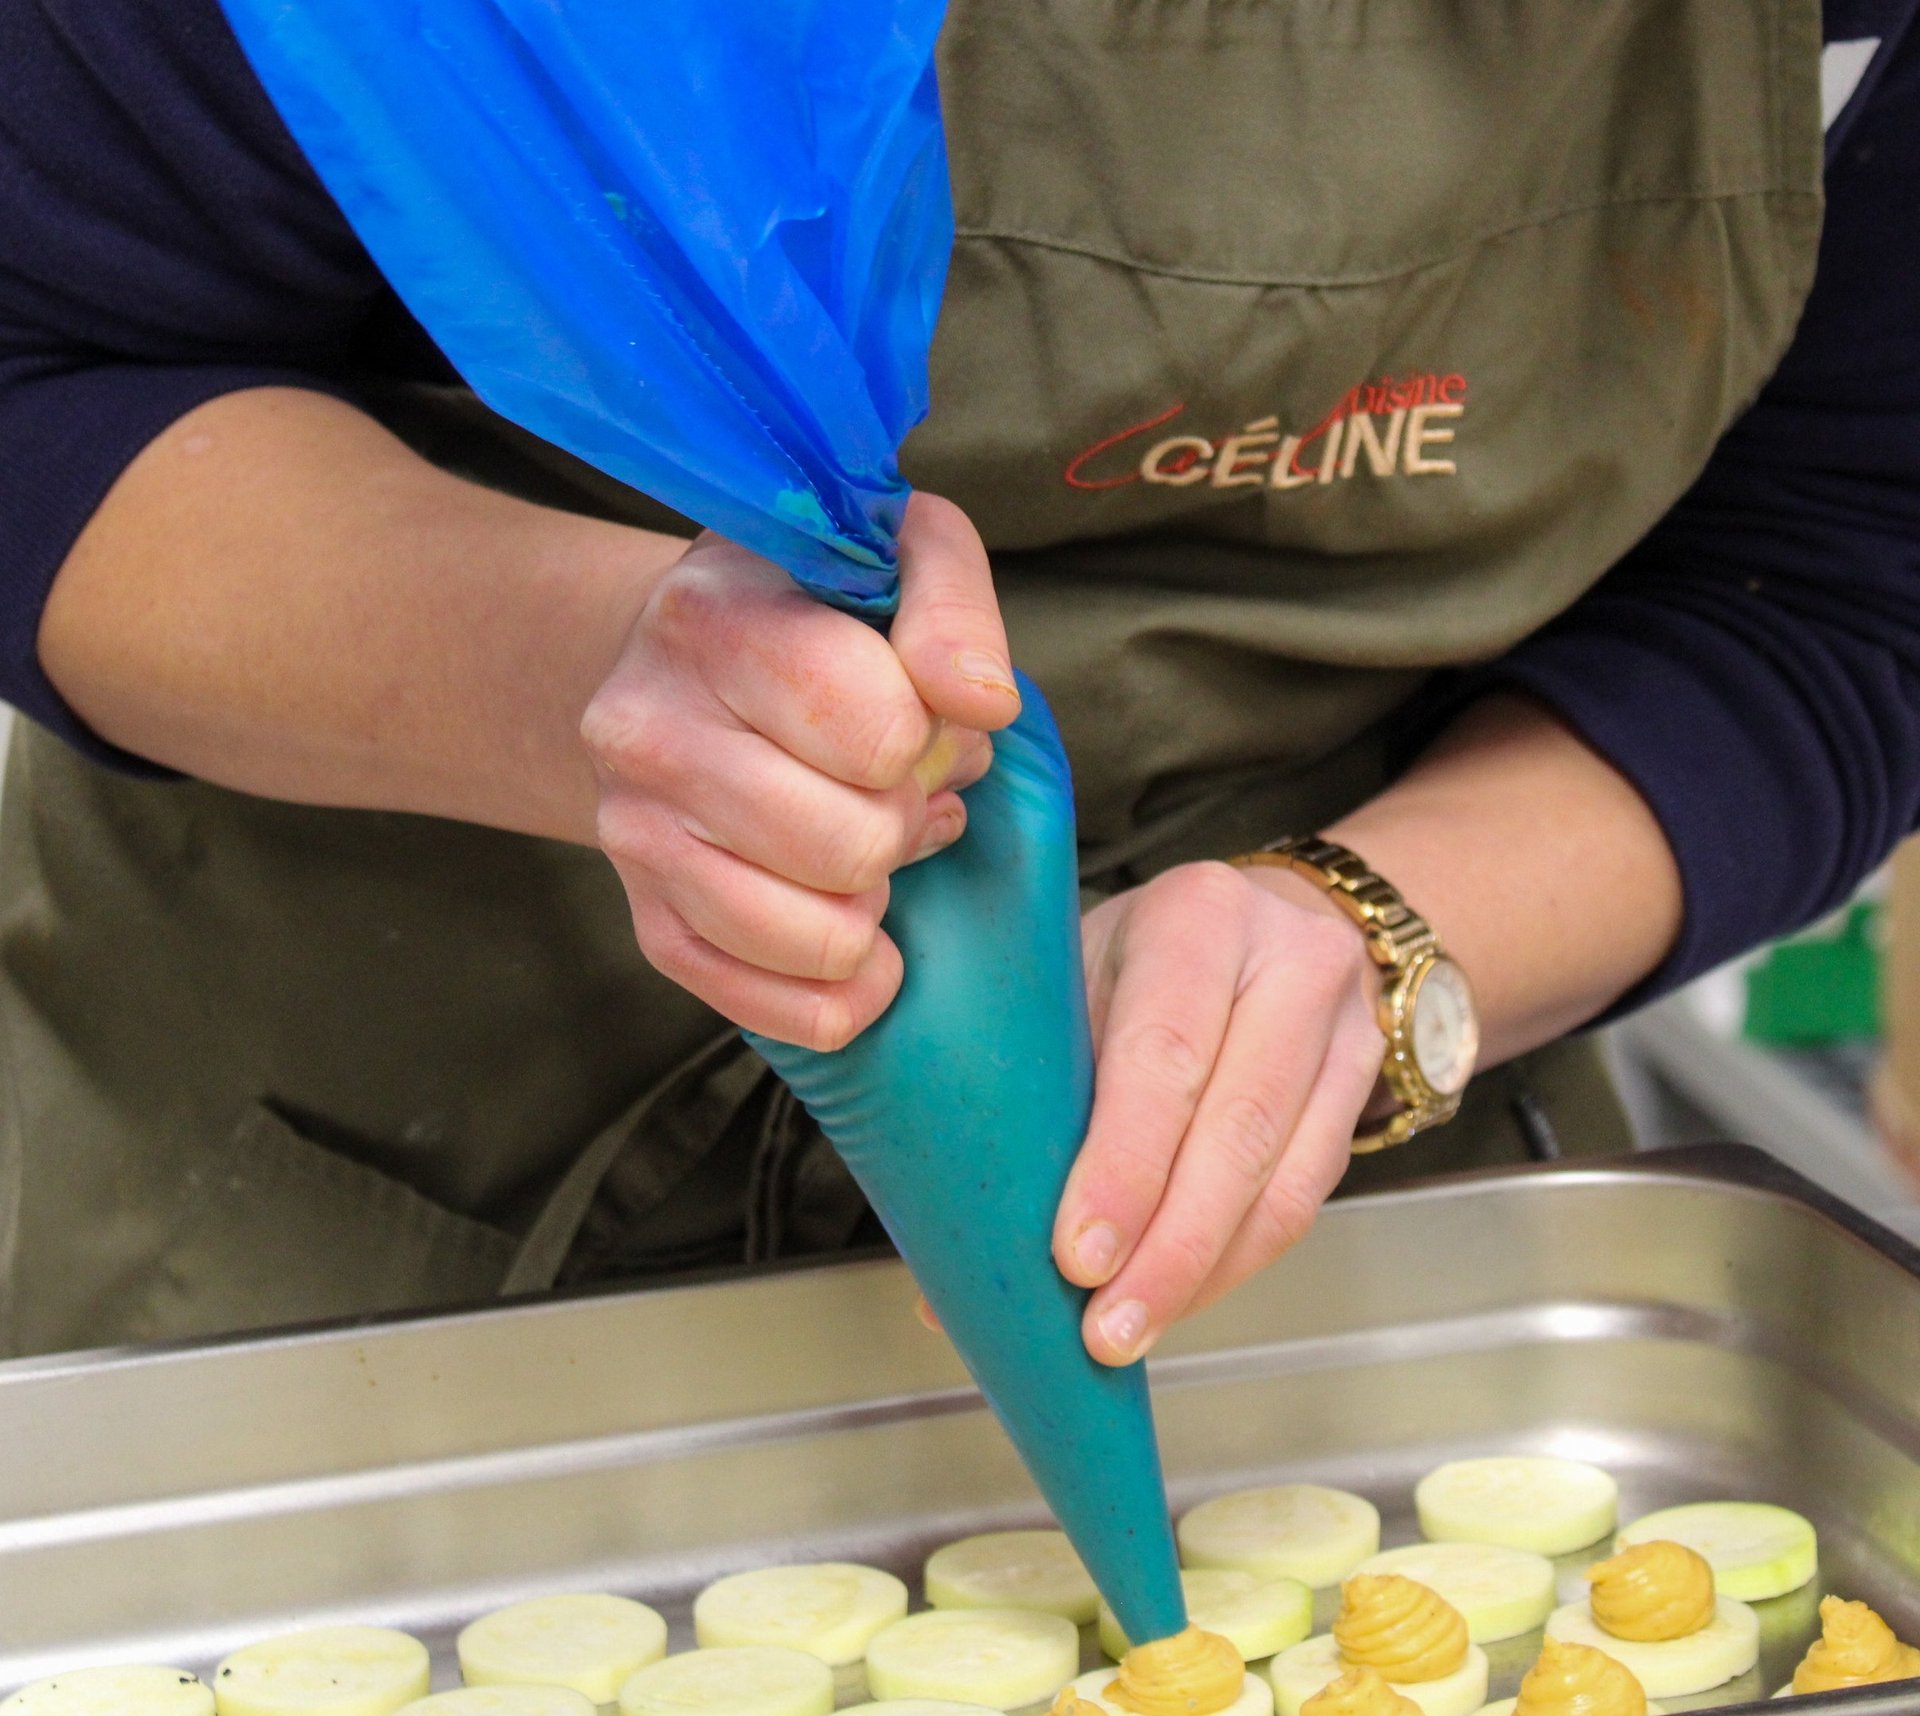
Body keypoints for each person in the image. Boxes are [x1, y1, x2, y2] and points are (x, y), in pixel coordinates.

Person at [0, 0, 1915, 1362]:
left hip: (1323, 1251)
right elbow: (46, 368)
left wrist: (1369, 943)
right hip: (374, 1205)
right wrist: (595, 681)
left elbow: (1853, 567)